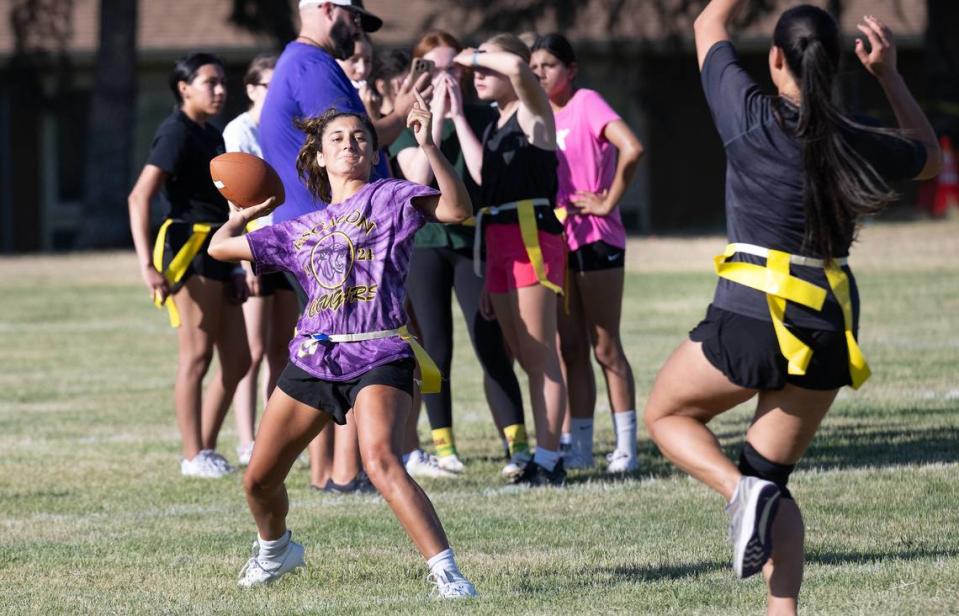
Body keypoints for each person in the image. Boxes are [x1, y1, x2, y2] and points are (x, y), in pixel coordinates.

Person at [643, 3, 940, 614]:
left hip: (753, 317)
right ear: (834, 67)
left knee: (667, 418)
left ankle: (737, 494)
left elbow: (707, 24)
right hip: (826, 328)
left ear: (775, 58)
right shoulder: (855, 136)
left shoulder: (750, 115)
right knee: (773, 484)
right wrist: (888, 75)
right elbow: (928, 156)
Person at [207, 100, 478, 597]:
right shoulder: (301, 229)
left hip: (378, 352)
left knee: (380, 461)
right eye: (338, 139)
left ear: (375, 153)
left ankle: (447, 572)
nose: (350, 144)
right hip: (315, 358)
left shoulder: (392, 197)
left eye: (360, 138)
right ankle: (275, 551)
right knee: (257, 481)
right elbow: (219, 249)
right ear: (319, 157)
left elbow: (458, 211)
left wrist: (429, 146)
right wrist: (246, 215)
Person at [259, 0, 427, 493]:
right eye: (354, 17)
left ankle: (334, 472)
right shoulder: (314, 65)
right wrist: (406, 109)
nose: (357, 30)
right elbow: (352, 144)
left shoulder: (298, 61)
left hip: (319, 235)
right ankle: (349, 473)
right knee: (364, 341)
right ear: (327, 8)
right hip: (333, 237)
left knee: (333, 342)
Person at [391, 30, 529, 477]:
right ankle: (443, 446)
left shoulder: (481, 114)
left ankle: (517, 445)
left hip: (473, 242)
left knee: (491, 341)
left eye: (453, 67)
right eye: (434, 68)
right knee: (436, 348)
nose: (446, 77)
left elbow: (482, 175)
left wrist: (458, 119)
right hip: (427, 245)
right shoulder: (404, 123)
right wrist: (429, 122)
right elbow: (414, 176)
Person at [127, 52, 251, 478]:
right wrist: (147, 265)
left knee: (239, 358)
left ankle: (207, 449)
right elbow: (139, 196)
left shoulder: (209, 133)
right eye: (210, 82)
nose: (220, 90)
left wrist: (236, 266)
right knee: (196, 355)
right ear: (184, 88)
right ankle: (192, 454)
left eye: (222, 82)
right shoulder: (175, 132)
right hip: (188, 249)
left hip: (220, 248)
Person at [451, 34, 567, 486]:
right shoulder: (495, 121)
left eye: (487, 64)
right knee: (520, 351)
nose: (477, 73)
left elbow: (521, 71)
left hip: (530, 234)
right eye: (476, 67)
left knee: (539, 354)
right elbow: (483, 177)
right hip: (497, 237)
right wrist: (455, 117)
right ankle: (547, 449)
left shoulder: (532, 108)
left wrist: (469, 56)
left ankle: (550, 458)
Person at [530, 34, 645, 473]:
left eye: (549, 65)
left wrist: (608, 201)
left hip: (596, 236)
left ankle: (626, 448)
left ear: (571, 71)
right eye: (534, 66)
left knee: (605, 345)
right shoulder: (535, 114)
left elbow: (632, 147)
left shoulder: (587, 103)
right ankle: (580, 447)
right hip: (556, 240)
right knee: (571, 347)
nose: (539, 73)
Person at [222, 54, 300, 467]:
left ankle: (275, 435)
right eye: (267, 86)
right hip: (256, 244)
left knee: (281, 351)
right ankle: (245, 440)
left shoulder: (287, 127)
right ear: (252, 89)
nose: (274, 95)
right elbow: (241, 195)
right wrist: (244, 263)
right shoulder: (240, 129)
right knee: (251, 350)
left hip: (288, 243)